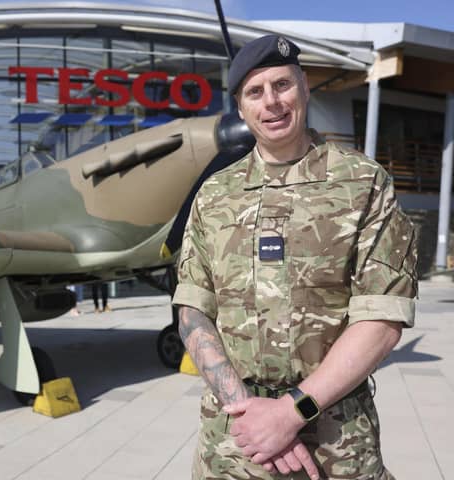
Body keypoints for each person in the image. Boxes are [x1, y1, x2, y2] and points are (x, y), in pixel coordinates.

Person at [172, 34, 417, 480]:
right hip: (235, 438)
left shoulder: (363, 184)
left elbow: (382, 319)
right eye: (255, 92)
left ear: (304, 87)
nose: (272, 103)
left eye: (282, 85)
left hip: (336, 438)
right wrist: (245, 412)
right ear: (241, 108)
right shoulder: (214, 195)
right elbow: (193, 309)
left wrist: (290, 412)